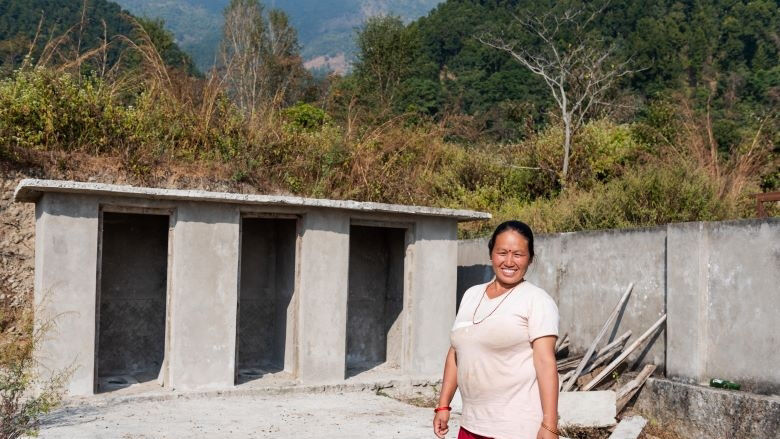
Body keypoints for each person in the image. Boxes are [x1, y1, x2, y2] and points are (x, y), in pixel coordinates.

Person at [433, 220, 560, 439]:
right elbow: (456, 352)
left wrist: (549, 425)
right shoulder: (471, 295)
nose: (509, 261)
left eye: (518, 254)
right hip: (471, 423)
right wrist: (443, 405)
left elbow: (545, 363)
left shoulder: (536, 300)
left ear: (530, 258)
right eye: (502, 252)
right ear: (491, 253)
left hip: (515, 428)